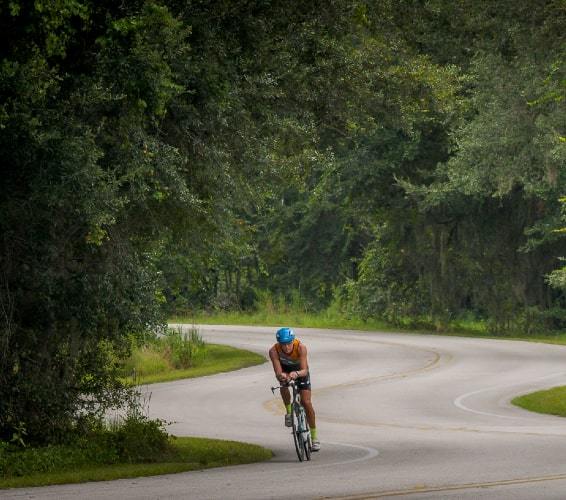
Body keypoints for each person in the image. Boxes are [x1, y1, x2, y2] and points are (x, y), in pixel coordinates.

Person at [269, 327, 320, 452]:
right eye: (283, 345)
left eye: (288, 344)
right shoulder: (274, 351)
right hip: (285, 370)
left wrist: (296, 374)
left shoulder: (301, 348)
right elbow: (277, 372)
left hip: (300, 371)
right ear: (279, 343)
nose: (286, 347)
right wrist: (282, 376)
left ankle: (314, 438)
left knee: (306, 402)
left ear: (293, 340)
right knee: (282, 383)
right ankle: (289, 412)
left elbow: (304, 370)